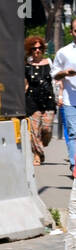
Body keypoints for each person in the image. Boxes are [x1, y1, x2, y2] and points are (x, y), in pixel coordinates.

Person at [25, 38, 57, 166]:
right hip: (32, 100)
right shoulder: (27, 66)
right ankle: (37, 155)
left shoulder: (49, 63)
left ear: (43, 49)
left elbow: (56, 80)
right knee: (34, 131)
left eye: (39, 48)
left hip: (48, 100)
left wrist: (59, 95)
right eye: (34, 48)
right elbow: (24, 83)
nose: (37, 50)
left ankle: (41, 146)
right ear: (30, 50)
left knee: (47, 129)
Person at [52, 16, 76, 177]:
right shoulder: (64, 52)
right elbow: (54, 74)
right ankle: (75, 165)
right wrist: (64, 73)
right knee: (74, 133)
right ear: (72, 32)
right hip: (70, 100)